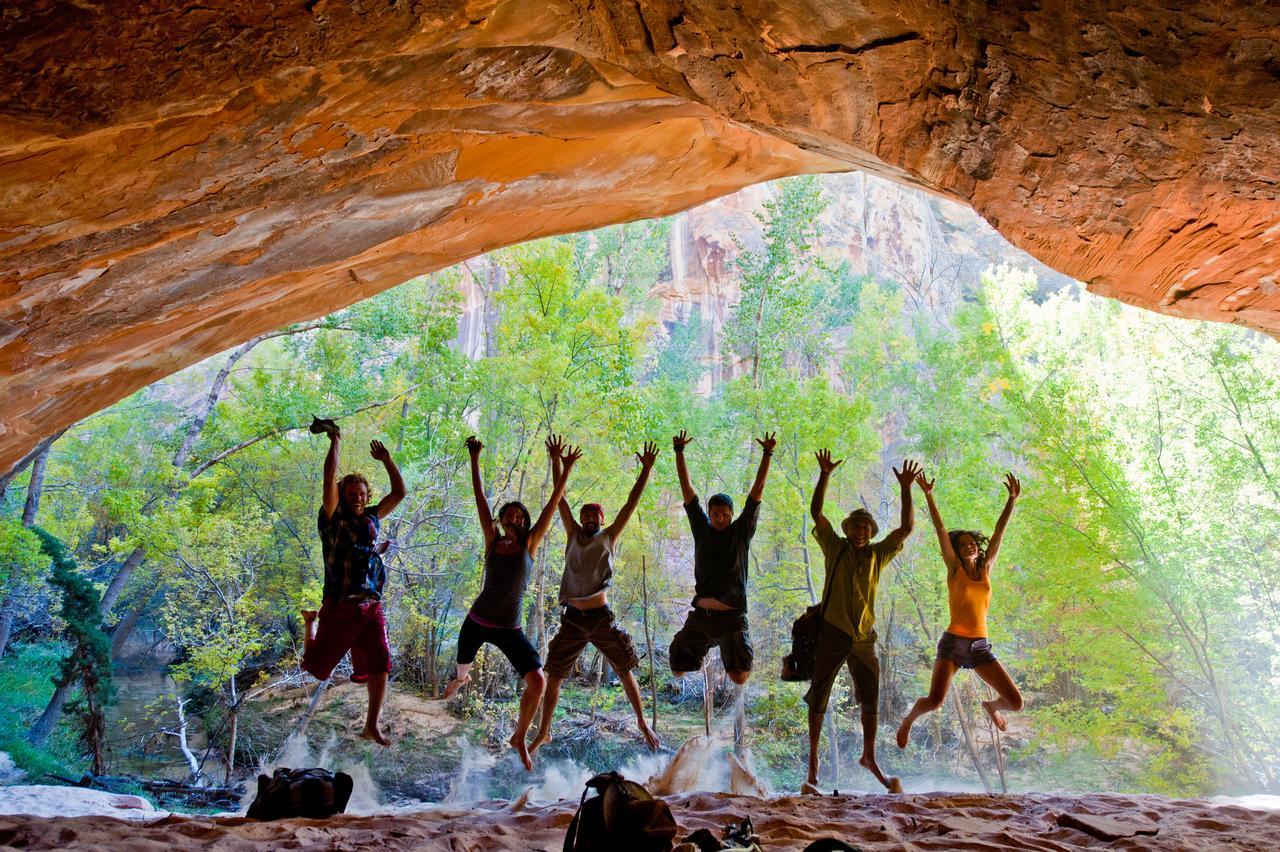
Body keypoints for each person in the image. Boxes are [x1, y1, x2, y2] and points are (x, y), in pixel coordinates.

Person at [443, 434, 578, 770]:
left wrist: (566, 469)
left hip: (509, 627)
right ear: (502, 518)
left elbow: (551, 504)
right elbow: (479, 499)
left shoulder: (529, 545)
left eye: (521, 516)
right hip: (476, 620)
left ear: (524, 521)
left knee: (538, 680)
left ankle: (519, 736)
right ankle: (462, 679)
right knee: (462, 671)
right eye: (510, 514)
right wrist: (475, 458)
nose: (515, 518)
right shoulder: (492, 540)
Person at [529, 438, 661, 757]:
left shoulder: (609, 537)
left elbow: (630, 504)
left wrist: (645, 470)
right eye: (585, 515)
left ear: (601, 520)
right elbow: (559, 500)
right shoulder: (573, 535)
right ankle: (544, 731)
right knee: (554, 674)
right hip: (573, 620)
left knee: (624, 668)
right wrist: (556, 460)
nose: (589, 519)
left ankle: (643, 722)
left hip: (601, 618)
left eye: (594, 516)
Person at [804, 450, 919, 794]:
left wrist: (906, 488)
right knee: (819, 695)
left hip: (864, 638)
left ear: (870, 532)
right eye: (855, 525)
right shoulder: (834, 546)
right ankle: (813, 764)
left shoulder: (877, 554)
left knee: (871, 697)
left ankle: (869, 757)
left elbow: (907, 528)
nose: (860, 531)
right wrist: (824, 475)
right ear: (848, 528)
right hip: (832, 632)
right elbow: (817, 513)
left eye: (865, 527)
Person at [895, 471, 1024, 749]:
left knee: (1016, 702)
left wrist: (1011, 501)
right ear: (956, 550)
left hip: (980, 647)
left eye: (972, 543)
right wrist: (929, 496)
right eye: (962, 544)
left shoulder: (986, 569)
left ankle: (991, 707)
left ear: (978, 549)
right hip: (954, 643)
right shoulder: (954, 570)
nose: (968, 546)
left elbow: (999, 534)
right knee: (935, 701)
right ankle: (907, 721)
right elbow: (941, 531)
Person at [300, 418, 406, 747]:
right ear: (342, 496)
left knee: (381, 663)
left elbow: (401, 492)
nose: (356, 497)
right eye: (351, 493)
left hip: (370, 603)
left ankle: (371, 724)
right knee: (317, 669)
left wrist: (388, 460)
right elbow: (329, 479)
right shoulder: (332, 517)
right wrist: (336, 441)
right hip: (340, 604)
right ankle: (310, 626)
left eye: (361, 493)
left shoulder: (373, 516)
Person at [667, 430, 776, 688]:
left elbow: (758, 490)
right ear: (709, 513)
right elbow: (687, 489)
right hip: (701, 617)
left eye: (725, 514)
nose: (720, 518)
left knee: (739, 677)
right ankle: (708, 647)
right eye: (716, 514)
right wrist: (679, 452)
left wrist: (767, 454)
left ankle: (732, 644)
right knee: (677, 668)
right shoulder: (701, 529)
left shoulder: (741, 532)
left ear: (731, 514)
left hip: (732, 617)